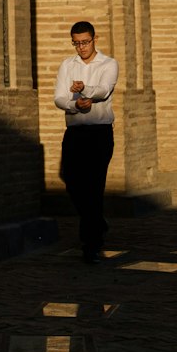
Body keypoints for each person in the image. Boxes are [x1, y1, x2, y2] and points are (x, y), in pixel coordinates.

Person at [54, 21, 118, 264]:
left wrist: (85, 90)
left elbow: (104, 90)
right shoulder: (67, 65)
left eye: (85, 42)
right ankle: (98, 222)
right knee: (70, 180)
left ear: (94, 39)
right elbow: (59, 97)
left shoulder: (109, 64)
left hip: (100, 134)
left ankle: (90, 245)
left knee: (93, 186)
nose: (81, 47)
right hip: (75, 133)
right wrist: (74, 104)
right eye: (76, 43)